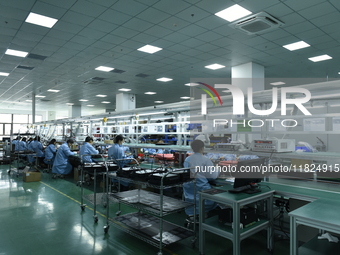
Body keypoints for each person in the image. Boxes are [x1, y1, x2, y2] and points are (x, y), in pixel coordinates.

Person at [183, 139, 219, 217]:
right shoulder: (206, 160)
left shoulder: (187, 159)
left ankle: (194, 216)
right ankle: (203, 216)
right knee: (218, 195)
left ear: (192, 148)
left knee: (194, 203)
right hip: (201, 189)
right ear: (202, 148)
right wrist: (218, 170)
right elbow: (212, 177)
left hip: (189, 190)